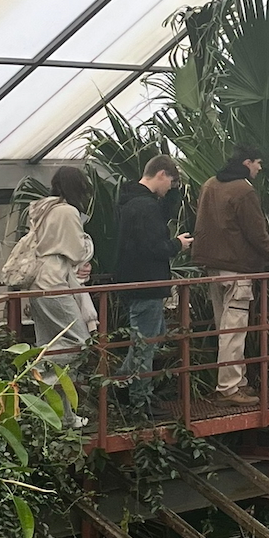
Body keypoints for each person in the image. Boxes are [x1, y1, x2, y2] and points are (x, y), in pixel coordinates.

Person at [194, 146, 269, 398]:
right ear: (246, 162)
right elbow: (257, 234)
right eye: (257, 162)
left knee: (224, 328)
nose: (260, 168)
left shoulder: (209, 184)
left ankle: (237, 381)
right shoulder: (244, 190)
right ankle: (229, 388)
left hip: (212, 266)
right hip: (237, 268)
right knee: (234, 331)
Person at [111, 157, 189, 413]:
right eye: (171, 182)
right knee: (146, 342)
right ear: (161, 174)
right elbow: (153, 247)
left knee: (149, 337)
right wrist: (177, 244)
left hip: (135, 281)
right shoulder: (146, 207)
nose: (169, 188)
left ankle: (121, 384)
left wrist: (175, 190)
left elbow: (160, 216)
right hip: (147, 282)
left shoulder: (132, 201)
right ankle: (139, 398)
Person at [16, 166, 98, 367]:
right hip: (54, 282)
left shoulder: (43, 208)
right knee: (79, 342)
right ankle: (34, 369)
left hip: (37, 280)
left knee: (49, 341)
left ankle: (44, 383)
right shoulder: (68, 211)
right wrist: (88, 242)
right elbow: (78, 252)